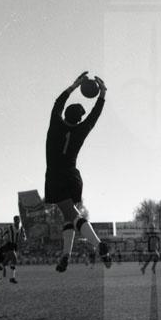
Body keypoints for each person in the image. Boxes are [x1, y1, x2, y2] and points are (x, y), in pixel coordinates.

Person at [44, 72, 111, 273]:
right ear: (79, 119)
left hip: (55, 176)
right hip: (73, 177)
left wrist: (75, 85)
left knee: (72, 214)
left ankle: (99, 244)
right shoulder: (81, 130)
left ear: (64, 114)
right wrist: (102, 94)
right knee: (68, 215)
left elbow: (58, 102)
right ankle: (65, 255)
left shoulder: (55, 124)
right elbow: (94, 116)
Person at [2, 215, 27, 283]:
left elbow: (24, 237)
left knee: (6, 261)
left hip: (15, 246)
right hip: (9, 245)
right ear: (14, 221)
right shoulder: (10, 227)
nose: (18, 222)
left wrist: (23, 238)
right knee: (14, 259)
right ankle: (12, 278)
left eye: (18, 220)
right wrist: (5, 238)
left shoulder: (21, 228)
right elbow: (3, 235)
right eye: (16, 220)